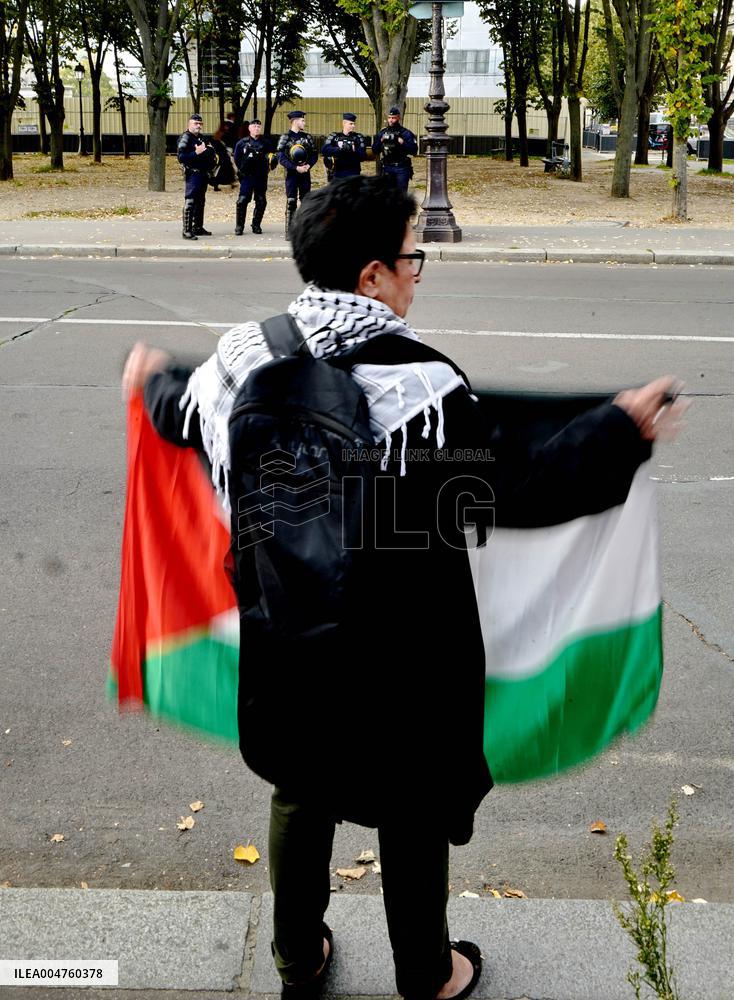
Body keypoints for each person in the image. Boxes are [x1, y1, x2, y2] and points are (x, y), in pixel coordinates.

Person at [122, 176, 686, 1000]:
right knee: (413, 804)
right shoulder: (419, 389)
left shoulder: (240, 359)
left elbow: (179, 410)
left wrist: (150, 379)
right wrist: (615, 432)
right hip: (404, 653)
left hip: (288, 636)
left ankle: (296, 959)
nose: (419, 271)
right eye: (413, 256)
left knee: (301, 783)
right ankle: (427, 972)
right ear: (372, 277)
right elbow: (515, 485)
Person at [277, 110, 318, 236]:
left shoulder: (307, 137)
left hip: (305, 173)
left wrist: (308, 165)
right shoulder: (285, 137)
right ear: (295, 121)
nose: (304, 122)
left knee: (306, 202)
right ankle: (290, 231)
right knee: (291, 202)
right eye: (302, 120)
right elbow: (280, 157)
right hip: (291, 174)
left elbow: (314, 154)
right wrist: (295, 168)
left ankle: (305, 230)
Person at [177, 114, 217, 239]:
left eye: (200, 124)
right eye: (196, 123)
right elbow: (181, 157)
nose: (198, 126)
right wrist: (196, 153)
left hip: (203, 173)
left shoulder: (202, 138)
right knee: (191, 200)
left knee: (200, 201)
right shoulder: (185, 138)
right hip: (193, 173)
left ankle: (197, 227)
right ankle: (186, 231)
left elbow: (211, 152)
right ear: (189, 124)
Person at [233, 119, 274, 235]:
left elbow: (272, 158)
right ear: (249, 128)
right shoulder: (242, 143)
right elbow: (237, 159)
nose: (256, 128)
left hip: (261, 176)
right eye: (254, 126)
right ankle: (239, 226)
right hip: (247, 177)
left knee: (261, 201)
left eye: (258, 126)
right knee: (242, 201)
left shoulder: (266, 143)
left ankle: (256, 225)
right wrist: (243, 170)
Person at [372, 106, 418, 192]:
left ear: (398, 118)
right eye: (389, 118)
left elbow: (414, 150)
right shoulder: (383, 133)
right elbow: (375, 150)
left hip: (401, 168)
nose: (391, 120)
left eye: (393, 118)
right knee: (387, 196)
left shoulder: (405, 133)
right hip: (387, 167)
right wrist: (381, 141)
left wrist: (402, 142)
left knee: (401, 196)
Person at [321, 112, 367, 180]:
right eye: (351, 124)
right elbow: (324, 150)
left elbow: (363, 156)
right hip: (338, 172)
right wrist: (339, 149)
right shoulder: (334, 136)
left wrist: (353, 149)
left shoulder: (358, 137)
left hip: (353, 172)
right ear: (344, 123)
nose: (353, 126)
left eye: (354, 124)